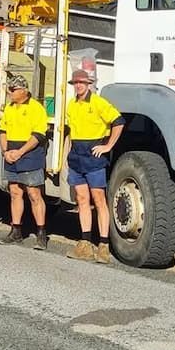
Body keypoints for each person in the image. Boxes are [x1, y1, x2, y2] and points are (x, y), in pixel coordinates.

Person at [64, 58, 124, 263]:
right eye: (76, 83)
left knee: (99, 199)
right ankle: (85, 242)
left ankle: (104, 245)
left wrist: (108, 146)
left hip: (94, 154)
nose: (79, 86)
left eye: (82, 82)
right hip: (76, 155)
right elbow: (71, 132)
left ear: (88, 84)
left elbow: (118, 122)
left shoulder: (98, 102)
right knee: (82, 200)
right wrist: (67, 155)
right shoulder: (72, 105)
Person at [0, 75, 50, 250]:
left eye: (13, 90)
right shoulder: (9, 108)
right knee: (14, 192)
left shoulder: (36, 108)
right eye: (9, 90)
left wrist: (20, 152)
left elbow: (38, 135)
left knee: (34, 193)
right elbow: (3, 131)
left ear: (23, 90)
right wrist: (5, 152)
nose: (10, 93)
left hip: (30, 153)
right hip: (11, 153)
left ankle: (41, 233)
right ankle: (16, 231)